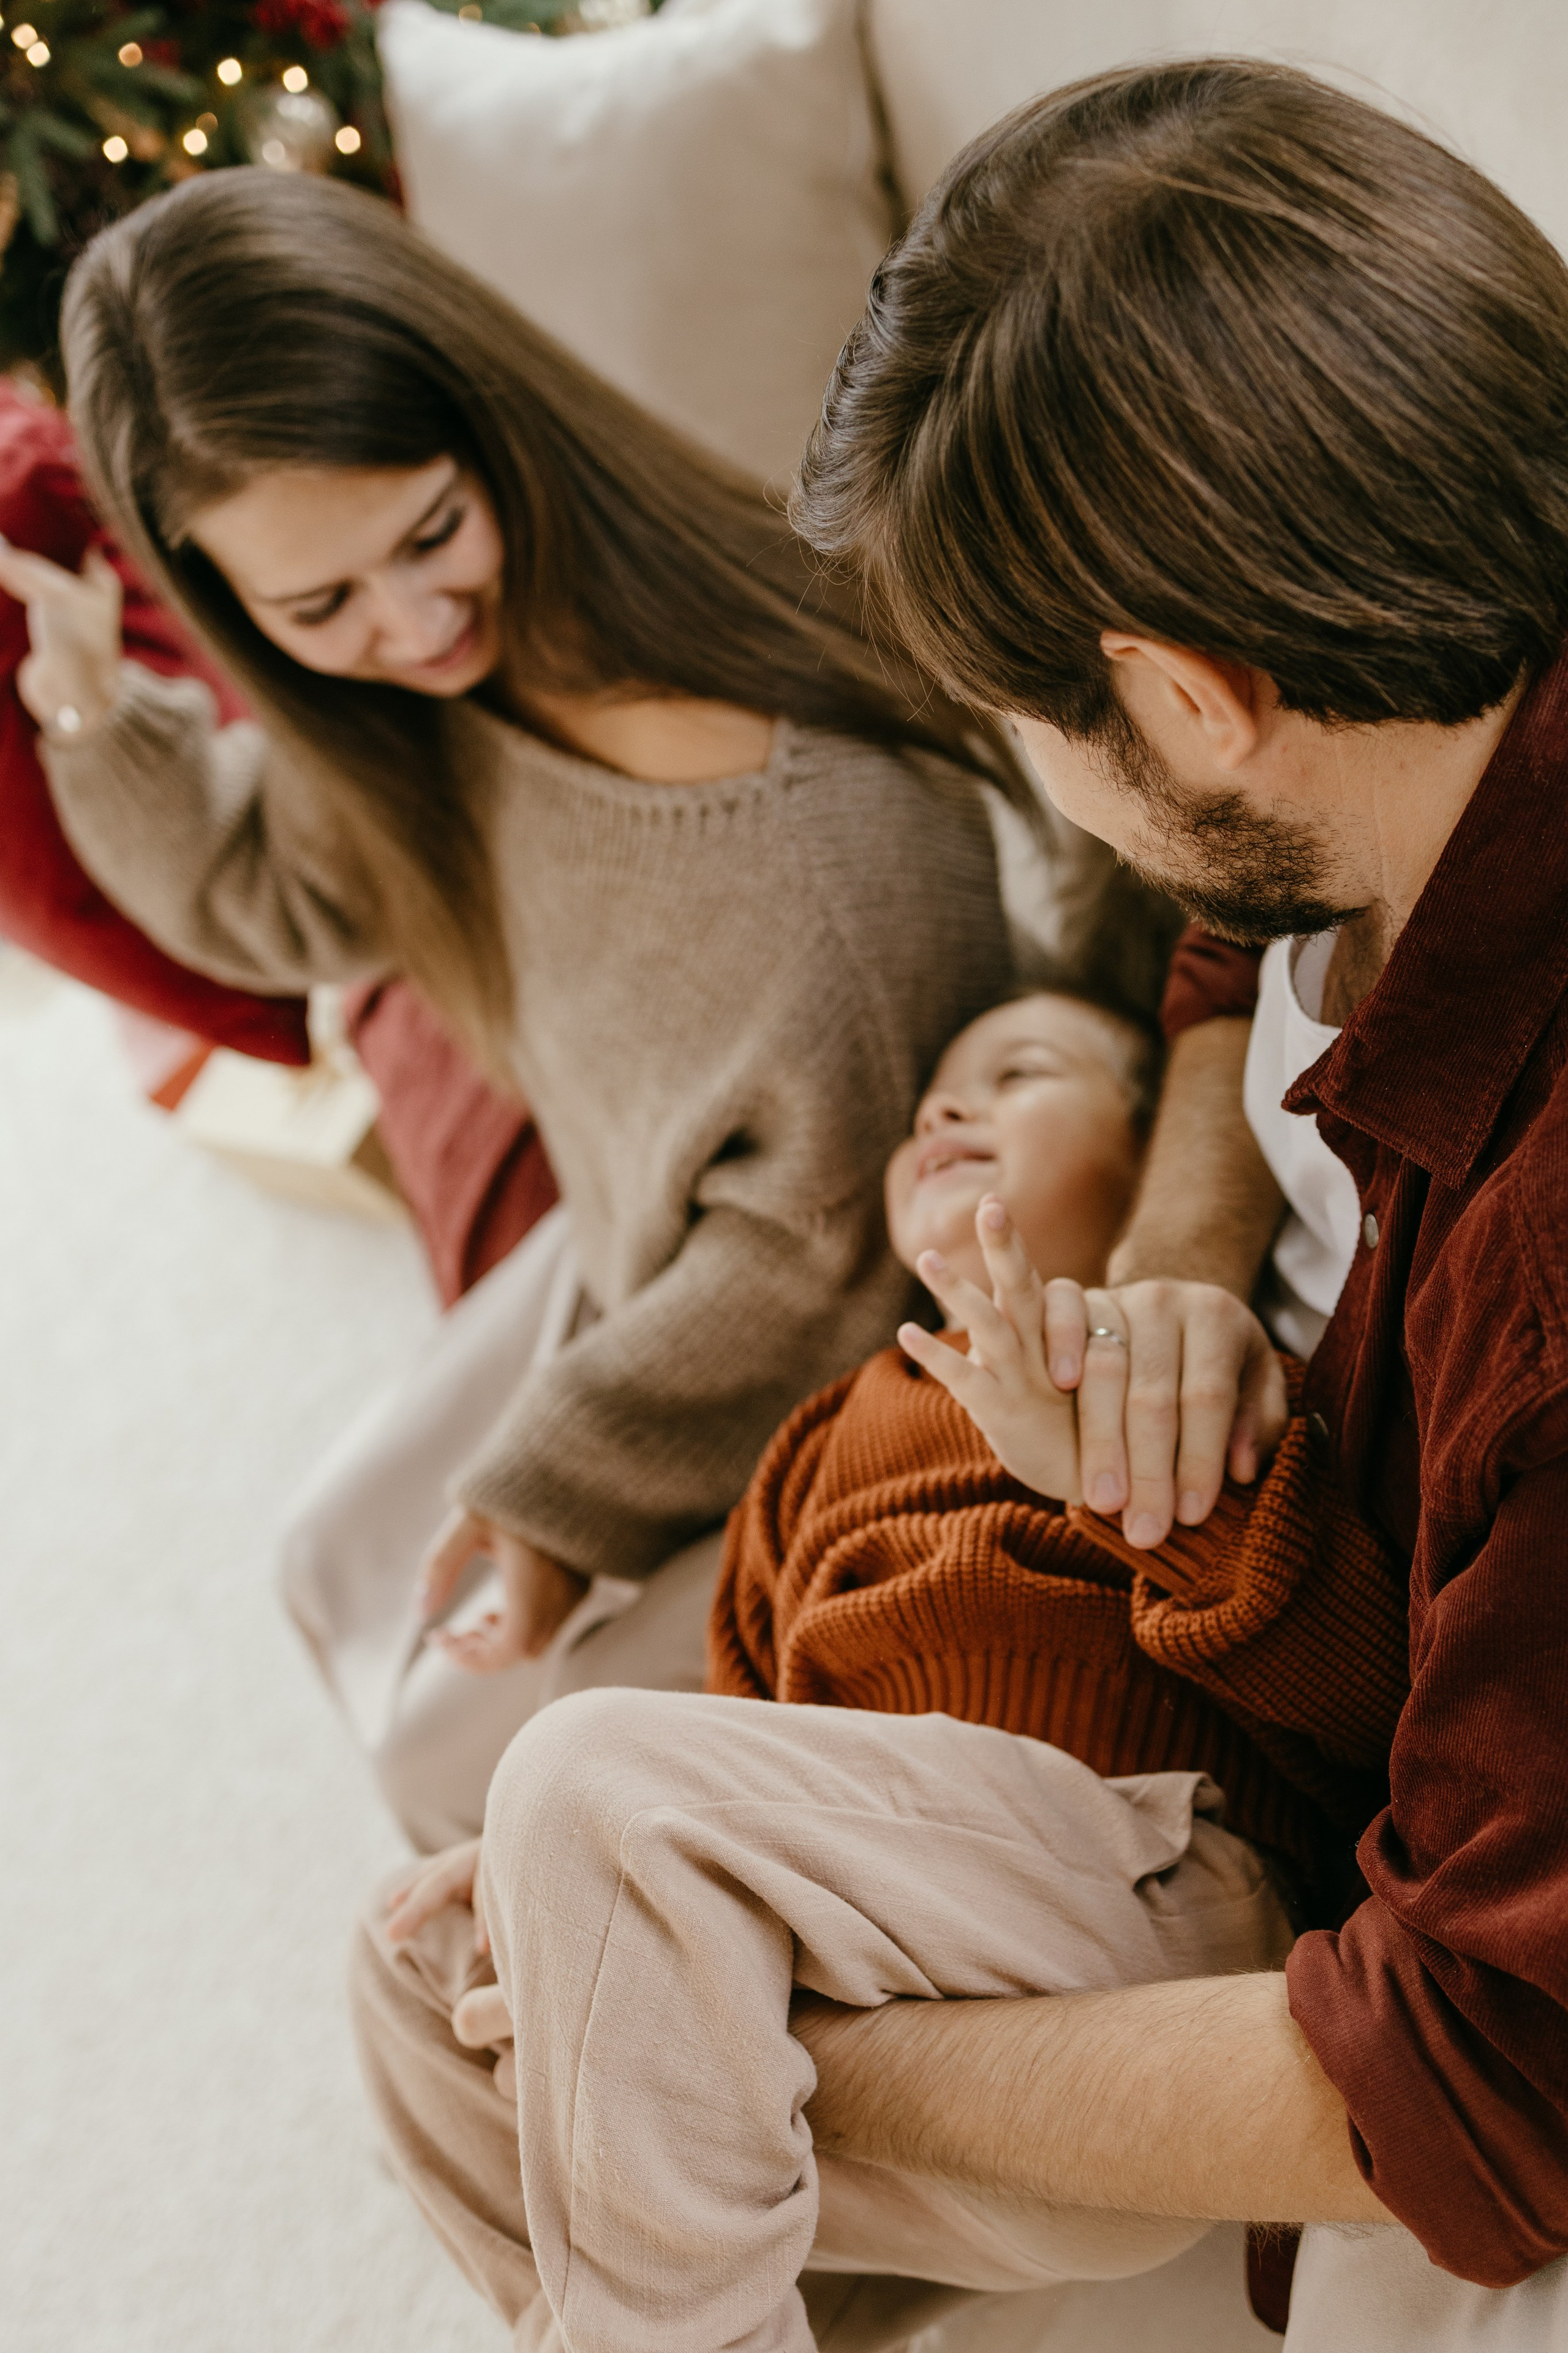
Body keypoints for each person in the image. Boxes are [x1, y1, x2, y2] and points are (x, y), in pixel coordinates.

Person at [778, 52, 1568, 2348]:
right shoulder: (1438, 656)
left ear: (1190, 703)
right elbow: (1229, 926)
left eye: (1032, 735)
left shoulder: (1536, 1278)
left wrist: (807, 2067)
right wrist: (1184, 1258)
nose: (1062, 804)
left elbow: (1474, 2090)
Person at [0, 165, 1025, 1848]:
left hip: (832, 1357)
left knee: (457, 1766)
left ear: (492, 429)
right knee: (331, 1563)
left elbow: (817, 1255)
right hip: (635, 1252)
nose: (406, 627)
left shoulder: (818, 842)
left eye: (427, 536)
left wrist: (556, 1478)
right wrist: (97, 708)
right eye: (316, 606)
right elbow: (276, 901)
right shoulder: (439, 708)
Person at [347, 984, 1408, 2349]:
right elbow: (745, 1752)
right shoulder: (818, 1438)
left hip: (1132, 1918)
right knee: (409, 1955)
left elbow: (1368, 1697)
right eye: (930, 1102)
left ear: (1149, 1152)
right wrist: (555, 1901)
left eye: (1018, 1073)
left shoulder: (1171, 1369)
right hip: (892, 2056)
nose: (945, 1109)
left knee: (571, 1774)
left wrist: (1131, 1479)